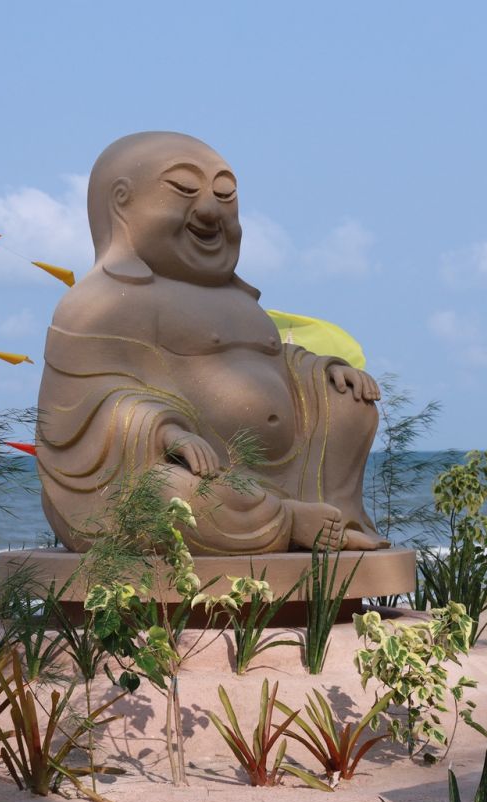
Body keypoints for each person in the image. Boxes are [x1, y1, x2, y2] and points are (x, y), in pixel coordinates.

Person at [36, 131, 387, 555]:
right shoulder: (106, 300)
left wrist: (325, 372)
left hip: (288, 466)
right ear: (122, 202)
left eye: (224, 195)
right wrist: (163, 433)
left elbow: (271, 358)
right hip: (197, 472)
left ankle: (332, 513)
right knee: (164, 496)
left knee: (349, 406)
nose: (208, 211)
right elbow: (86, 398)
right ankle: (289, 521)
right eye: (184, 189)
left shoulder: (239, 301)